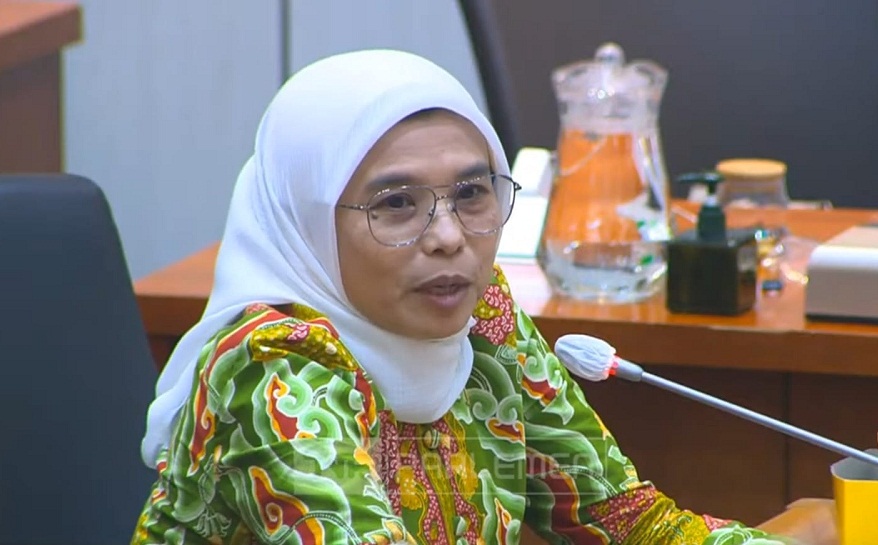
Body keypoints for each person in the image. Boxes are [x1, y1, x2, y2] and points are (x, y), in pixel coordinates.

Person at [132, 49, 833, 545]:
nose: (448, 237)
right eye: (395, 204)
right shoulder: (272, 366)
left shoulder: (481, 318)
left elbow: (629, 525)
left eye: (472, 193)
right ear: (308, 222)